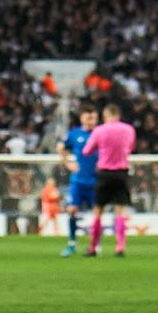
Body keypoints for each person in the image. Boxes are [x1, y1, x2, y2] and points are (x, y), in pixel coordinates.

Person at [83, 102, 138, 257]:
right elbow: (130, 148)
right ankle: (120, 246)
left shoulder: (99, 130)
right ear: (118, 115)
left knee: (98, 210)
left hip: (104, 173)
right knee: (120, 210)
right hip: (121, 172)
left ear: (105, 115)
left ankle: (93, 247)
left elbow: (87, 151)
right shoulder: (128, 130)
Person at [57, 107, 99, 257]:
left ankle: (94, 245)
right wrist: (68, 163)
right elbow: (61, 147)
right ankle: (72, 243)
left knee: (97, 213)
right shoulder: (75, 134)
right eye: (89, 117)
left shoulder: (99, 133)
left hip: (96, 180)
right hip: (78, 180)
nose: (92, 121)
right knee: (72, 210)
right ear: (82, 118)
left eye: (94, 118)